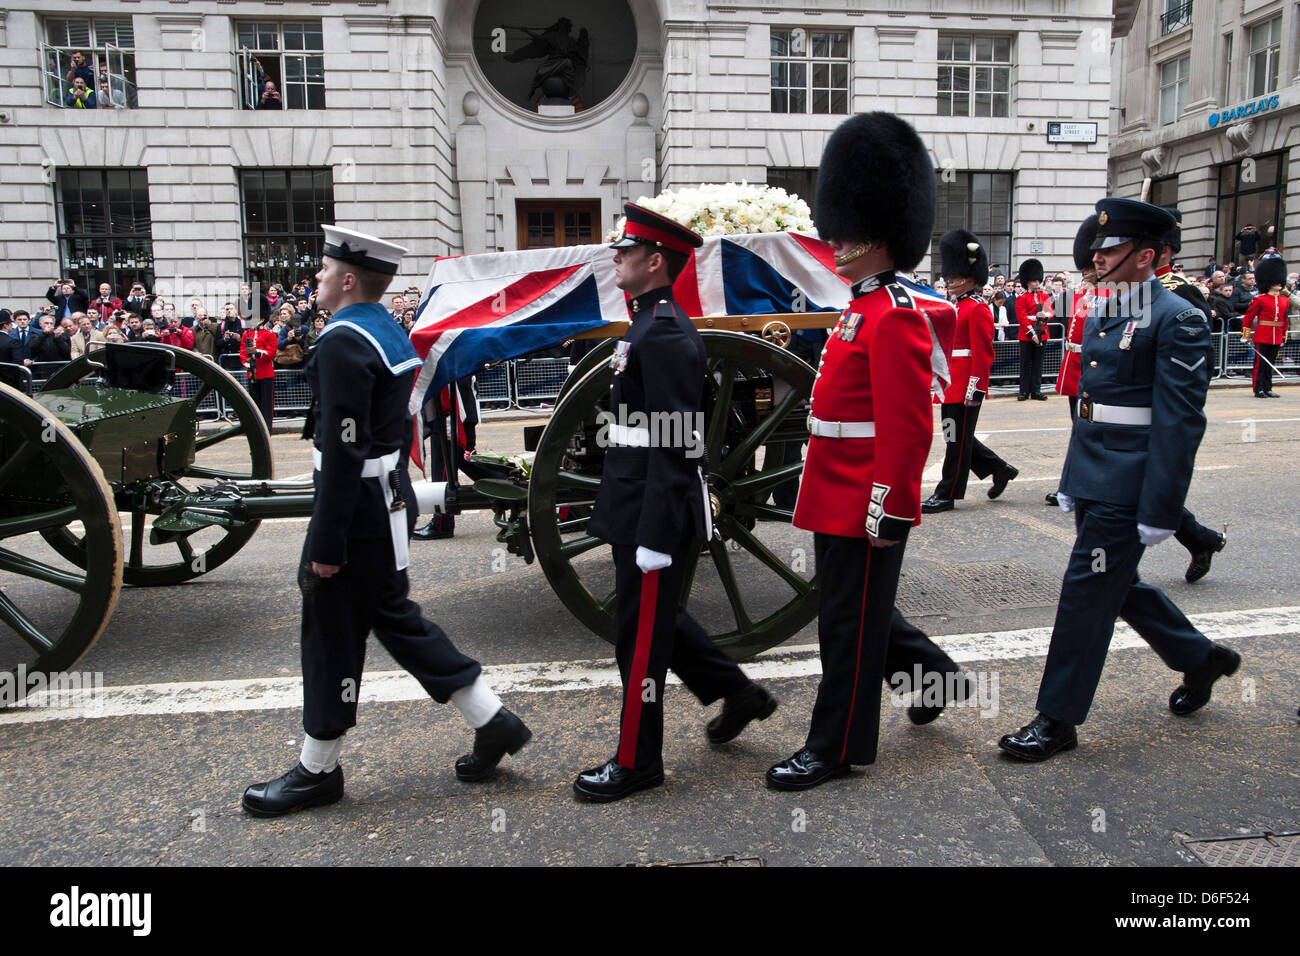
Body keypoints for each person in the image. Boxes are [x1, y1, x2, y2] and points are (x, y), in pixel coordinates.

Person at [243, 225, 531, 817]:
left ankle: (317, 770)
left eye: (322, 270)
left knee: (329, 636)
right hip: (380, 499)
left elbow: (345, 451)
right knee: (395, 620)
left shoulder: (345, 341)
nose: (315, 279)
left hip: (354, 512)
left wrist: (325, 541)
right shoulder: (384, 331)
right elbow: (390, 431)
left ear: (348, 280)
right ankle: (491, 718)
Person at [999, 198, 1241, 763]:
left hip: (1129, 481)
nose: (1097, 257)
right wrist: (1071, 479)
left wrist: (1161, 508)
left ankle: (1057, 718)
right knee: (1117, 584)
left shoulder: (1177, 317)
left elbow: (1180, 425)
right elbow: (1092, 404)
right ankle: (1200, 659)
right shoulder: (1111, 306)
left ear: (1147, 256)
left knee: (1086, 593)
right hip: (1094, 472)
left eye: (1110, 249)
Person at [768, 112, 954, 790]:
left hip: (864, 499)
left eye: (844, 229)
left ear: (876, 235)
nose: (833, 238)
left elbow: (908, 430)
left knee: (848, 630)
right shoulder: (858, 307)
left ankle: (837, 747)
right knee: (854, 613)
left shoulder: (895, 316)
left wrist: (889, 508)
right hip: (834, 488)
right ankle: (935, 677)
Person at [573, 202, 778, 803]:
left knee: (639, 644)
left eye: (626, 250)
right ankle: (738, 693)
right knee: (649, 623)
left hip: (651, 511)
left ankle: (638, 762)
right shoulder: (651, 322)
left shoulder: (661, 330)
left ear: (655, 261)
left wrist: (657, 537)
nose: (616, 257)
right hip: (636, 500)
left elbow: (677, 440)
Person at [1153, 208, 1229, 581]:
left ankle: (1200, 539)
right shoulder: (1130, 290)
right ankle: (1202, 539)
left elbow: (1196, 356)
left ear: (1162, 251)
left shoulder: (1179, 290)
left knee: (1143, 492)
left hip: (1158, 409)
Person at [921, 229, 1018, 513]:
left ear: (970, 277)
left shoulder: (977, 308)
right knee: (957, 438)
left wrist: (975, 388)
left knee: (956, 442)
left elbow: (983, 353)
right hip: (952, 384)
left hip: (964, 386)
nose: (948, 279)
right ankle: (1000, 469)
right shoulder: (957, 306)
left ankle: (947, 493)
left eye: (953, 275)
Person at [1242, 255, 1289, 399]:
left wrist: (1284, 334)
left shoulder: (1284, 300)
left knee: (1270, 364)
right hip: (1263, 334)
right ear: (1269, 282)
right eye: (1276, 281)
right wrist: (1246, 335)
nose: (1279, 284)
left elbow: (1285, 319)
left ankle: (1268, 388)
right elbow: (1248, 317)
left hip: (1276, 335)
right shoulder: (1260, 299)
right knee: (1260, 365)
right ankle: (1258, 389)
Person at [1015, 258, 1052, 400]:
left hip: (1042, 331)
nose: (1036, 283)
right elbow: (1022, 318)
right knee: (1025, 364)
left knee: (1038, 364)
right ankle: (1023, 391)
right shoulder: (1022, 298)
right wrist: (1031, 334)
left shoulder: (1045, 295)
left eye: (1038, 280)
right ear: (1027, 282)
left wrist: (1045, 315)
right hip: (1027, 334)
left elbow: (1051, 311)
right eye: (1033, 281)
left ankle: (1036, 390)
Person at [239, 311, 278, 427]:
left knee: (266, 403)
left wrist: (258, 353)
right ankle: (256, 427)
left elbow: (271, 353)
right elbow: (242, 351)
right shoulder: (247, 334)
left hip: (265, 372)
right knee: (254, 402)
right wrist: (247, 363)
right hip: (252, 372)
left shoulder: (269, 334)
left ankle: (266, 427)